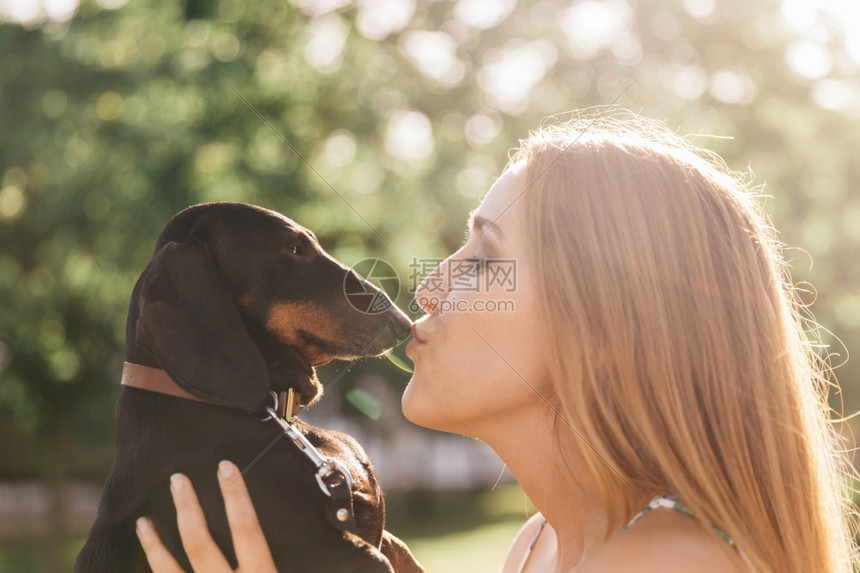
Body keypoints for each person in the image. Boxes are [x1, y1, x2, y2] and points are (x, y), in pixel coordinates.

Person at [136, 110, 858, 572]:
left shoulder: (665, 563)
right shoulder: (541, 546)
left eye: (483, 259)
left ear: (603, 324)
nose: (427, 287)